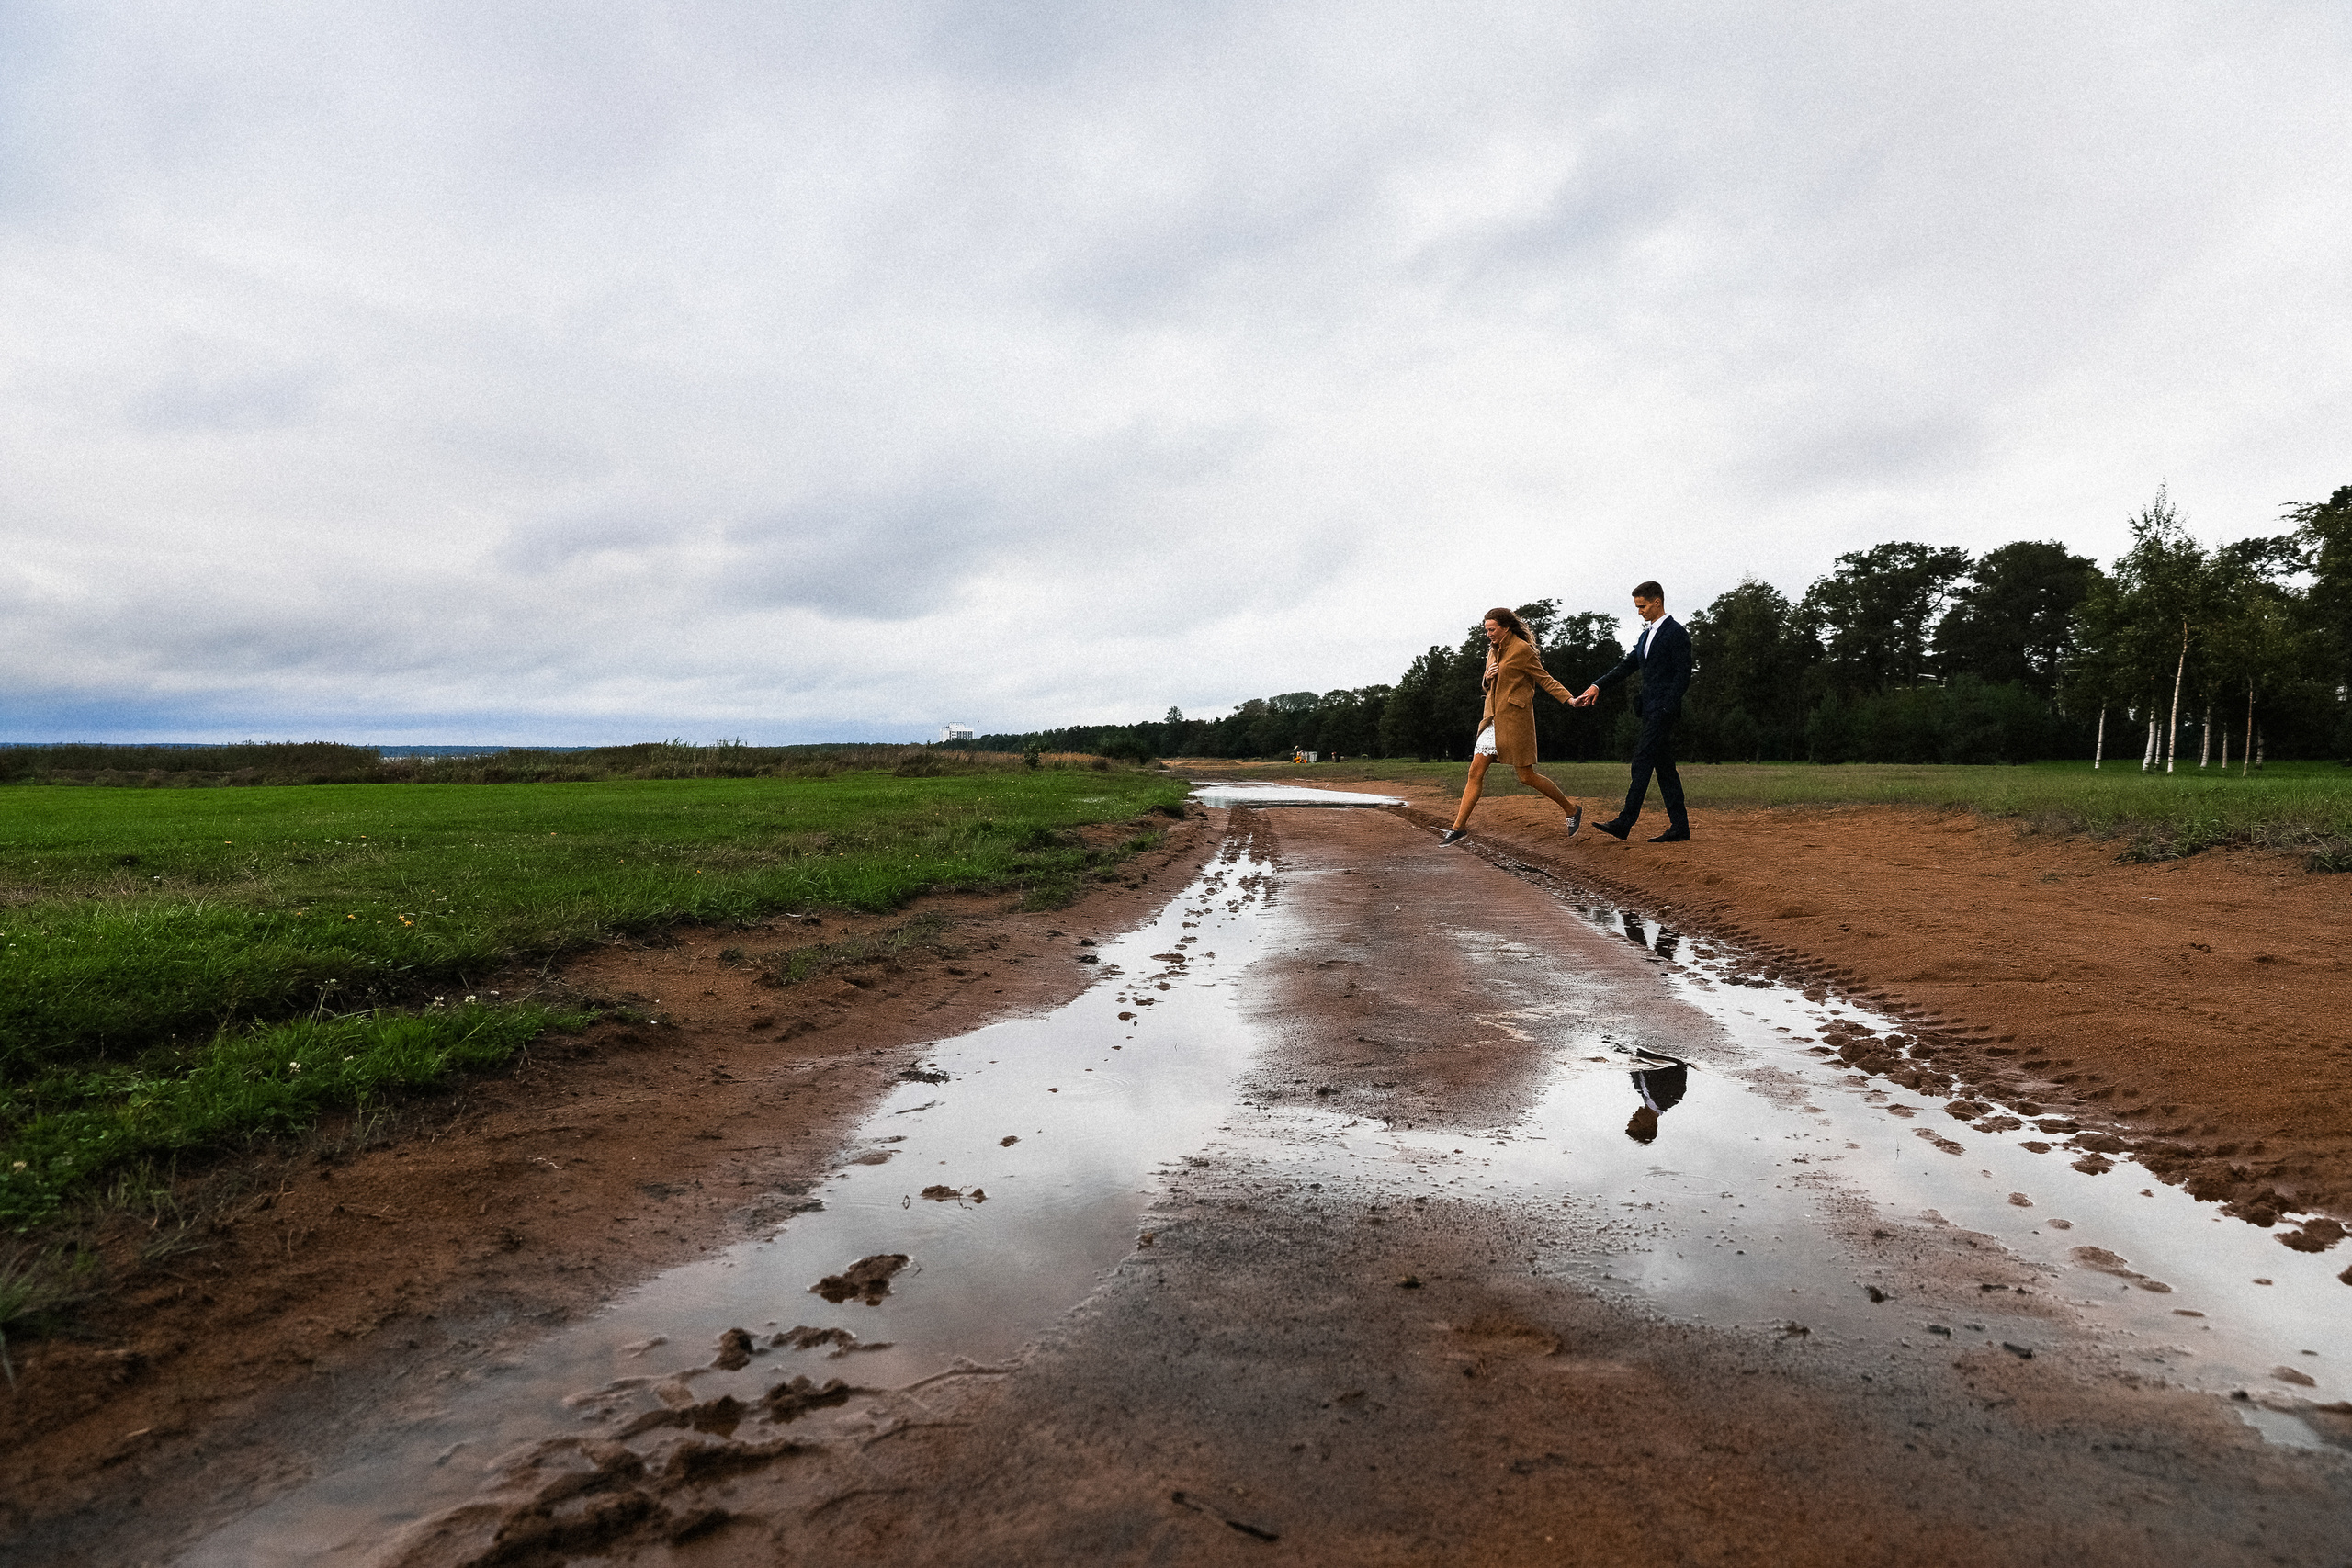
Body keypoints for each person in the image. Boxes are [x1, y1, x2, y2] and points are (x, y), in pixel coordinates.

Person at [1439, 607, 1585, 845]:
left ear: (1505, 627)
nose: (1488, 634)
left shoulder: (1522, 650)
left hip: (1515, 720)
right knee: (1475, 770)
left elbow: (1544, 678)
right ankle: (1459, 828)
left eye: (1492, 629)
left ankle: (1571, 810)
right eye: (1486, 630)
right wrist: (1486, 677)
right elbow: (1489, 686)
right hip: (1492, 719)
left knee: (1526, 776)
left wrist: (1570, 699)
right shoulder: (1492, 652)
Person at [1572, 581, 1692, 842]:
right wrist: (1597, 686)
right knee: (1664, 769)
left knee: (1641, 762)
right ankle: (1680, 827)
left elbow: (1683, 676)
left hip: (1662, 712)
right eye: (1637, 606)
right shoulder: (1646, 635)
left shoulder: (1676, 633)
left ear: (1657, 601)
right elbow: (1627, 665)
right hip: (1649, 711)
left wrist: (1665, 707)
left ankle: (1624, 823)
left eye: (1643, 606)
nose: (1640, 611)